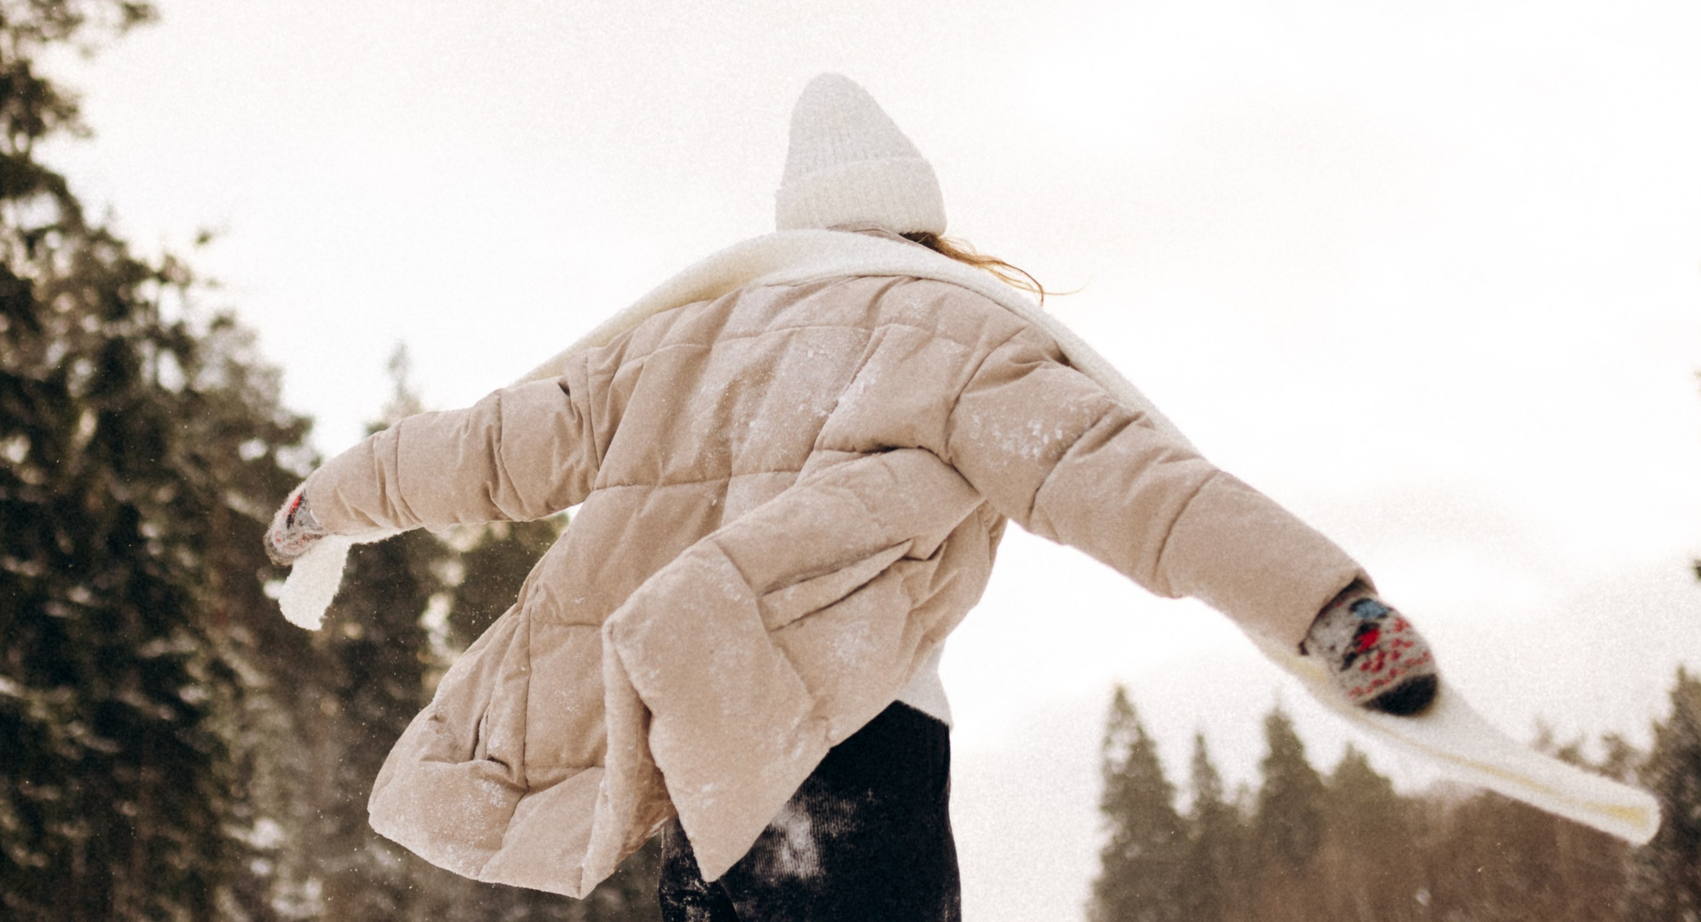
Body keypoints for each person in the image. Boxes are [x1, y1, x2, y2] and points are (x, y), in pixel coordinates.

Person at [267, 73, 1438, 922]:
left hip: (698, 767)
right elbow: (1139, 488)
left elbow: (476, 448)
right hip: (860, 752)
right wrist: (1326, 607)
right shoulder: (956, 332)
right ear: (916, 215)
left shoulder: (672, 347)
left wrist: (326, 502)